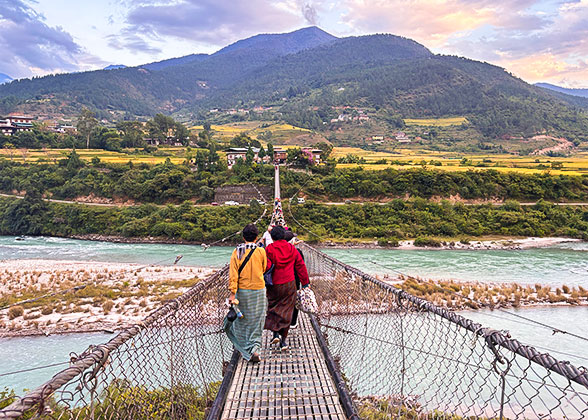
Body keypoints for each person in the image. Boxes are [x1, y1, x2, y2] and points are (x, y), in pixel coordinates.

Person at [224, 223, 270, 363]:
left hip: (242, 291)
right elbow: (264, 268)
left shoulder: (237, 251)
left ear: (243, 237)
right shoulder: (261, 251)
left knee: (241, 321)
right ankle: (255, 349)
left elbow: (233, 274)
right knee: (257, 320)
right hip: (259, 290)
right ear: (256, 238)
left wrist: (232, 293)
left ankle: (245, 350)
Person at [264, 225, 309, 351]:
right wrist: (305, 283)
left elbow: (266, 266)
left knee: (273, 307)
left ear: (272, 237)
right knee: (288, 310)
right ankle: (283, 341)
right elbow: (300, 265)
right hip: (290, 283)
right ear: (284, 236)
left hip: (274, 284)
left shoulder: (269, 248)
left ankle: (275, 334)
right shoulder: (291, 248)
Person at [284, 229, 304, 329]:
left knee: (283, 301)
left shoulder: (278, 251)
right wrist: (305, 284)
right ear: (292, 241)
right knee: (295, 301)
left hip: (281, 281)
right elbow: (302, 268)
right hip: (295, 281)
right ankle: (293, 323)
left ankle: (283, 321)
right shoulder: (298, 252)